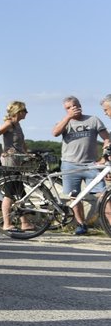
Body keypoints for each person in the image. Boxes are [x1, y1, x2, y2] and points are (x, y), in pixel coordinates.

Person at [52, 96, 110, 235]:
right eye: (68, 107)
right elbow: (55, 133)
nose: (73, 108)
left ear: (80, 105)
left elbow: (107, 138)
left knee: (103, 195)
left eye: (75, 105)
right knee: (74, 196)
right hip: (70, 165)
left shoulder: (93, 119)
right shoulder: (64, 122)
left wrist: (104, 157)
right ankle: (81, 224)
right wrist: (68, 117)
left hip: (91, 164)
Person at [0, 101, 32, 232]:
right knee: (9, 193)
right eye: (25, 111)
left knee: (20, 193)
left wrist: (27, 154)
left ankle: (25, 222)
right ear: (19, 112)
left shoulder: (18, 125)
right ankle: (6, 223)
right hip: (9, 163)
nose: (26, 113)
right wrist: (4, 151)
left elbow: (22, 142)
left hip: (17, 162)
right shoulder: (9, 124)